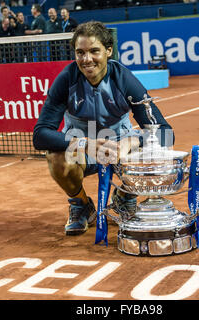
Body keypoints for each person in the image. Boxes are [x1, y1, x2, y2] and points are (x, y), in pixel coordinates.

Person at [33, 21, 173, 236]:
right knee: (56, 156)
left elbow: (165, 132)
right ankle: (81, 205)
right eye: (80, 52)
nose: (86, 59)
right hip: (83, 152)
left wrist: (132, 141)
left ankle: (125, 197)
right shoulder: (66, 79)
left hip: (119, 153)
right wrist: (83, 143)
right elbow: (40, 134)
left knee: (151, 148)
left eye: (94, 51)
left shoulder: (124, 79)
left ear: (108, 51)